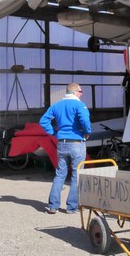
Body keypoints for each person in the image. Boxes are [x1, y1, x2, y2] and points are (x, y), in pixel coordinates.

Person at [39, 82, 92, 214]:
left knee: (60, 174)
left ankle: (53, 206)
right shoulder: (79, 105)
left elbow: (43, 121)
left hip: (62, 143)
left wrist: (54, 133)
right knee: (76, 175)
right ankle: (71, 207)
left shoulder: (56, 105)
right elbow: (85, 120)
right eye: (80, 92)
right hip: (77, 143)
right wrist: (87, 132)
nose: (81, 94)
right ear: (74, 92)